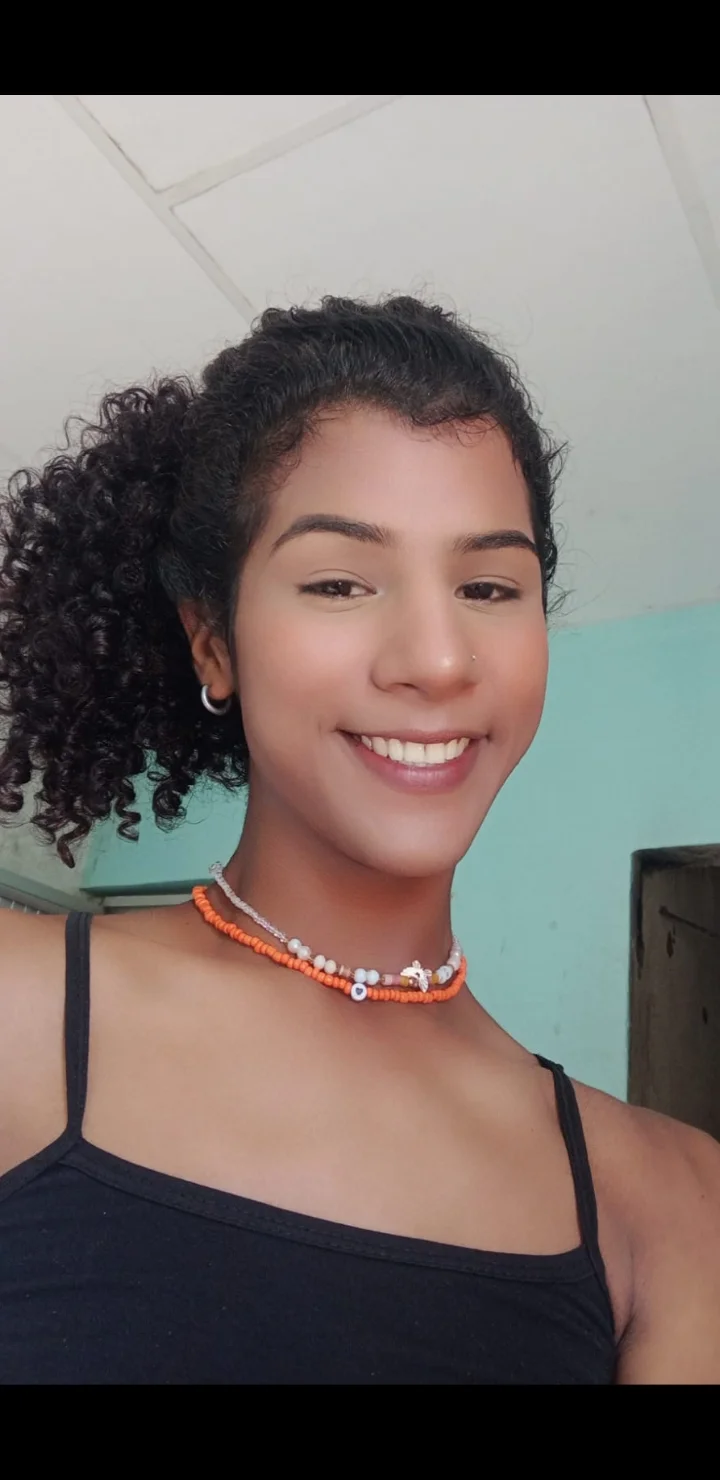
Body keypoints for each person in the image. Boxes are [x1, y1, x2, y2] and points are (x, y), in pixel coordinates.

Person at [0, 296, 718, 1386]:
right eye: (339, 582)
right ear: (213, 640)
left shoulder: (669, 1202)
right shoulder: (19, 1012)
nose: (437, 659)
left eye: (489, 586)